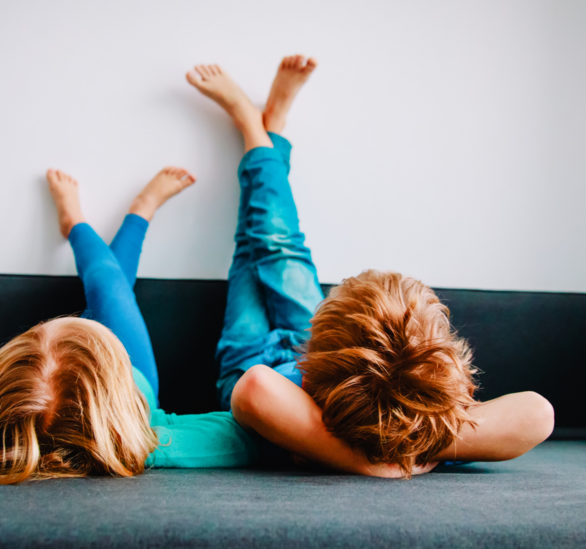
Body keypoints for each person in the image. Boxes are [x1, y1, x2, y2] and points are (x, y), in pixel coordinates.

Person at [186, 55, 555, 478]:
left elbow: (255, 384)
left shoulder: (278, 389)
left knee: (253, 251)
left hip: (260, 359)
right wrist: (405, 450)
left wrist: (361, 462)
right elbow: (537, 413)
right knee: (274, 244)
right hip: (328, 359)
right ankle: (263, 131)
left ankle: (260, 130)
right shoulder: (421, 425)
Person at [0, 167, 259, 484]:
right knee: (111, 292)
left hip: (32, 420)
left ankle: (81, 221)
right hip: (137, 384)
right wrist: (122, 441)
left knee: (111, 291)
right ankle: (130, 214)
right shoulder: (142, 435)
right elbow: (246, 436)